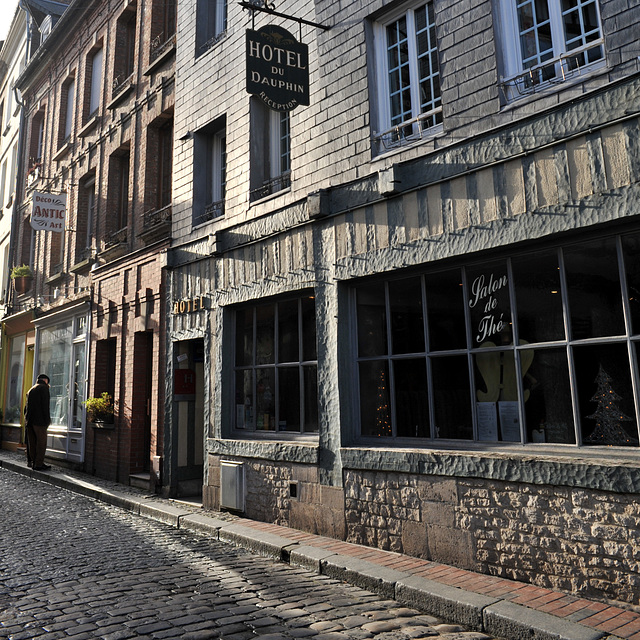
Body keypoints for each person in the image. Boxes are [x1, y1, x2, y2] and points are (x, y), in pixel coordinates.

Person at [25, 374, 51, 471]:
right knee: (41, 442)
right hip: (40, 421)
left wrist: (27, 420)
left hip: (30, 420)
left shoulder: (31, 389)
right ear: (45, 380)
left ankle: (33, 462)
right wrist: (47, 420)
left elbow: (27, 407)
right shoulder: (43, 388)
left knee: (32, 443)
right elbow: (45, 405)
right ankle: (39, 463)